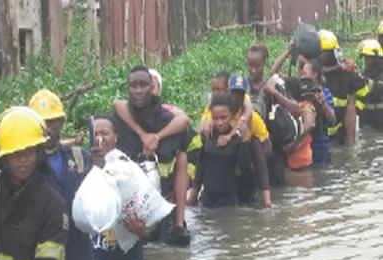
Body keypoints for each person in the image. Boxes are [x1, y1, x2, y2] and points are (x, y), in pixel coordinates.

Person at [0, 106, 67, 260]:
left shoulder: (52, 203)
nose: (23, 160)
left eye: (29, 152)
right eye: (16, 154)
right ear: (4, 158)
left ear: (38, 152)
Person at [108, 65, 194, 246]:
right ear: (128, 88)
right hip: (128, 213)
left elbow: (185, 126)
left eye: (143, 85)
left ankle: (179, 224)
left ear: (152, 88)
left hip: (163, 210)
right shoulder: (117, 120)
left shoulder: (168, 120)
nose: (138, 90)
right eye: (133, 85)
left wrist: (157, 137)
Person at [88, 115, 180, 260]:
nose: (99, 138)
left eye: (104, 133)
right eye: (95, 134)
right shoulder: (82, 168)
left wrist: (142, 231)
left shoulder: (129, 171)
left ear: (116, 137)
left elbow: (151, 229)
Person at [29, 89, 93, 260]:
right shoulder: (24, 163)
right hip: (43, 259)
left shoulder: (79, 157)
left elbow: (97, 202)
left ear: (61, 123)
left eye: (52, 122)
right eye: (41, 123)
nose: (47, 128)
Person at [199, 72, 273, 208]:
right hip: (236, 149)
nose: (236, 98)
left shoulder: (247, 113)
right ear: (227, 92)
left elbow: (242, 129)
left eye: (240, 95)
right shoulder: (219, 109)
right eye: (233, 94)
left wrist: (229, 137)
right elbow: (203, 125)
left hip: (261, 144)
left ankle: (266, 198)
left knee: (253, 156)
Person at [187, 94, 247, 208]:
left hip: (229, 201)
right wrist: (193, 194)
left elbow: (244, 168)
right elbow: (200, 167)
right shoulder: (207, 136)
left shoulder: (237, 140)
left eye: (224, 117)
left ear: (232, 116)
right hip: (207, 199)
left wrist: (244, 141)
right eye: (215, 118)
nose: (219, 122)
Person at [318, 29, 369, 146]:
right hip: (325, 138)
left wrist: (357, 107)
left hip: (335, 137)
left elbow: (361, 91)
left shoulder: (346, 74)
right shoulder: (314, 74)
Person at [358, 39, 383, 130]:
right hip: (367, 119)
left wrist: (362, 81)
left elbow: (377, 89)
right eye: (365, 58)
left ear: (376, 58)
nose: (366, 61)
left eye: (369, 58)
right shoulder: (366, 73)